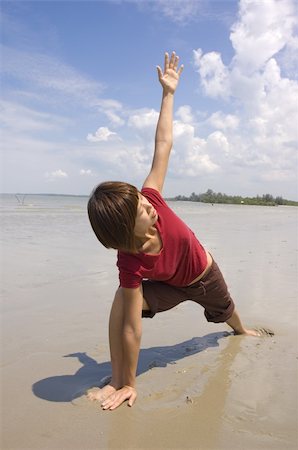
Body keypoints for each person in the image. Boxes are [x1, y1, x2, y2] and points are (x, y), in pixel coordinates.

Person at [87, 51, 260, 411]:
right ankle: (118, 380)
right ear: (124, 231)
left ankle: (243, 331)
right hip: (169, 287)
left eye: (142, 199)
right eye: (141, 209)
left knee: (226, 311)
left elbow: (162, 145)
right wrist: (130, 383)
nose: (149, 204)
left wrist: (168, 94)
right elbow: (132, 328)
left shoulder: (153, 197)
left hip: (204, 275)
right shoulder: (129, 262)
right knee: (122, 302)